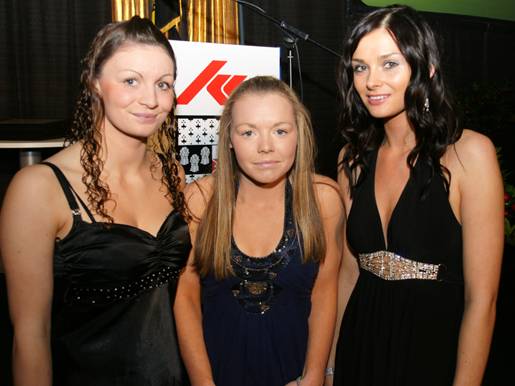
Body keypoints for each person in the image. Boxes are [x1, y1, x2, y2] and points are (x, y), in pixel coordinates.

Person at [0, 16, 191, 386]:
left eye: (163, 84)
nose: (151, 99)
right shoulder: (39, 189)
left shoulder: (173, 175)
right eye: (131, 80)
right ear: (95, 83)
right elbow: (29, 337)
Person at [328, 5, 504, 386]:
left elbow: (482, 299)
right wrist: (329, 368)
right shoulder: (351, 159)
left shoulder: (469, 154)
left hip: (433, 349)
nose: (371, 81)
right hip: (361, 344)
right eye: (360, 67)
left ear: (425, 69)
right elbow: (346, 273)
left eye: (389, 64)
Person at [174, 76, 344, 386]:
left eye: (280, 131)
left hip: (292, 372)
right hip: (216, 371)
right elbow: (184, 297)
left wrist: (315, 374)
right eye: (248, 132)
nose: (266, 147)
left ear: (298, 135)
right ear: (229, 138)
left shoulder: (323, 201)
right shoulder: (200, 199)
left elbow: (324, 293)